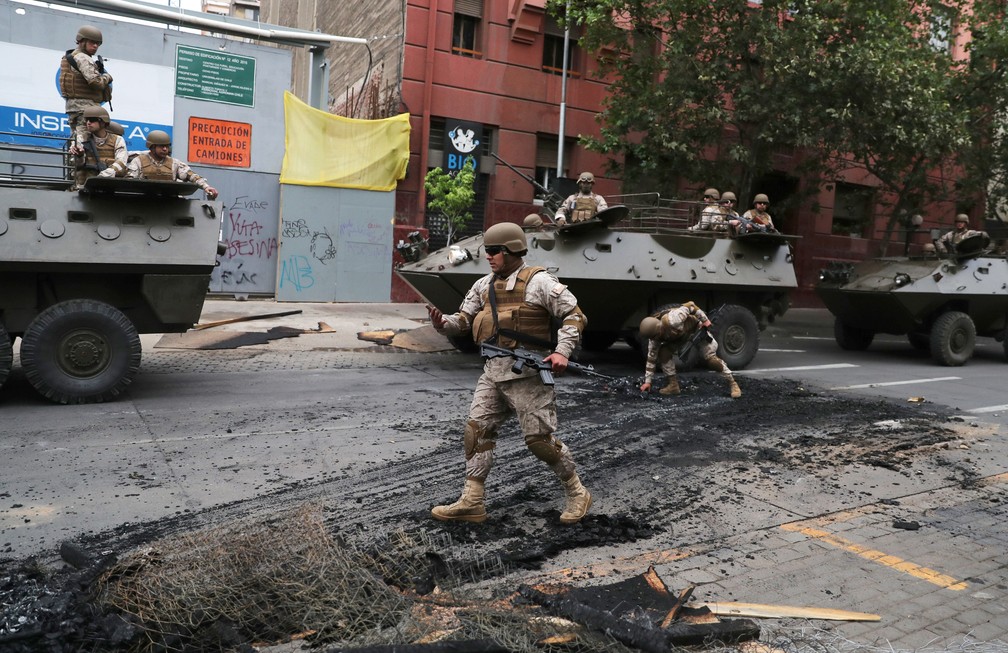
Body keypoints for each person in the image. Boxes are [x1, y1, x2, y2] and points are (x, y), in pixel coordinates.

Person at [427, 221, 591, 525]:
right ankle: (473, 501)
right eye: (486, 251)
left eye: (494, 251)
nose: (488, 256)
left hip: (528, 375)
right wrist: (442, 323)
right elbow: (462, 321)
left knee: (540, 442)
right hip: (493, 372)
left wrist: (561, 351)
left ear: (513, 250)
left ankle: (577, 492)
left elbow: (574, 315)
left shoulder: (539, 282)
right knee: (476, 432)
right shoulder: (483, 285)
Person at [638, 302, 741, 398]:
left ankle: (732, 383)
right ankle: (673, 386)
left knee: (711, 360)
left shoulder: (672, 319)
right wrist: (648, 382)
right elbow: (651, 359)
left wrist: (705, 320)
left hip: (696, 330)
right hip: (680, 337)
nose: (655, 339)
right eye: (653, 338)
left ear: (659, 329)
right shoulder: (654, 339)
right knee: (663, 353)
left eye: (656, 336)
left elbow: (690, 305)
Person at [60, 25, 113, 152]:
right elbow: (96, 82)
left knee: (77, 140)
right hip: (86, 109)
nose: (95, 46)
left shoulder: (70, 56)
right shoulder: (83, 58)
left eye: (97, 44)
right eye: (92, 42)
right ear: (82, 41)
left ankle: (75, 169)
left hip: (74, 108)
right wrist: (107, 77)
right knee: (83, 144)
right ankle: (78, 170)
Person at [125, 130, 219, 199]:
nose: (165, 149)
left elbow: (191, 176)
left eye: (167, 146)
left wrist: (206, 187)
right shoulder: (138, 161)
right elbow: (129, 182)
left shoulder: (174, 163)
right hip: (143, 202)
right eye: (162, 146)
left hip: (169, 202)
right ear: (152, 147)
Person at [67, 105, 126, 185]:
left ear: (103, 122)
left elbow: (121, 162)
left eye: (92, 120)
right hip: (84, 186)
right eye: (87, 120)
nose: (88, 123)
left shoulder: (117, 140)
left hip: (109, 185)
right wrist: (80, 156)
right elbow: (75, 165)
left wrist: (102, 176)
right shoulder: (81, 138)